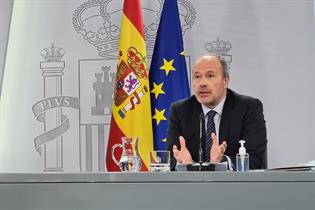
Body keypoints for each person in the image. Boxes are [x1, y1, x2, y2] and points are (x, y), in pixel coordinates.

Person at [166, 55, 267, 171]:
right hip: (192, 186)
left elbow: (256, 158)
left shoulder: (248, 108)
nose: (202, 83)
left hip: (235, 187)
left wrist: (222, 162)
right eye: (197, 76)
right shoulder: (180, 110)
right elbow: (171, 159)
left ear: (225, 81)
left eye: (210, 76)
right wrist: (186, 164)